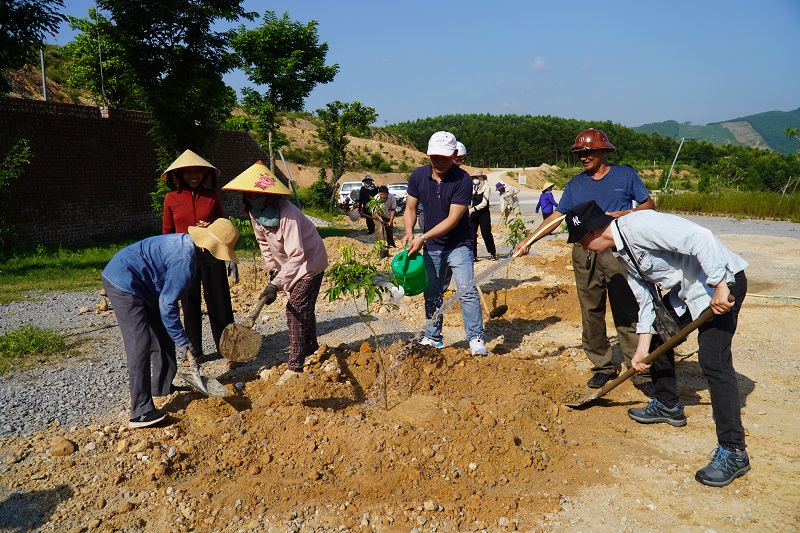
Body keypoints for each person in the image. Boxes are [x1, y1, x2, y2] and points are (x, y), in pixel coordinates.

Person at [565, 200, 750, 488]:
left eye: (579, 241)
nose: (581, 247)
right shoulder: (622, 252)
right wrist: (641, 350)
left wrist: (721, 284)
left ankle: (734, 451)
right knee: (656, 335)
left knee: (713, 362)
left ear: (591, 233)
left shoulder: (639, 226)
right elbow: (647, 303)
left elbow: (700, 237)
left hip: (721, 286)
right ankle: (667, 404)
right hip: (688, 292)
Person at [515, 128, 656, 397]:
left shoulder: (625, 175)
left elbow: (649, 205)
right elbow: (556, 217)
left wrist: (627, 213)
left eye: (587, 152)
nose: (582, 157)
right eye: (579, 153)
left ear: (603, 151)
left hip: (617, 251)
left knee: (627, 308)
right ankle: (602, 365)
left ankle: (638, 367)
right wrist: (529, 240)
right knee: (591, 310)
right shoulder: (575, 185)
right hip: (585, 253)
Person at [102, 219, 240, 428]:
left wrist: (177, 338)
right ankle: (140, 411)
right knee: (140, 342)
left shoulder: (191, 248)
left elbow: (167, 299)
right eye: (215, 255)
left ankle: (162, 386)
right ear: (205, 248)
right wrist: (184, 342)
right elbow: (168, 305)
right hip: (124, 282)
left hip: (145, 286)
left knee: (163, 335)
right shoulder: (185, 259)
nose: (216, 261)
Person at [222, 162, 329, 385]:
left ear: (269, 194)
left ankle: (295, 365)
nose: (252, 197)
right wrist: (273, 271)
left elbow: (297, 255)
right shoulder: (255, 212)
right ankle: (312, 349)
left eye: (256, 193)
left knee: (294, 309)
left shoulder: (287, 214)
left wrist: (278, 282)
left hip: (310, 263)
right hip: (288, 267)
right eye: (248, 193)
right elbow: (264, 243)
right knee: (304, 308)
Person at [402, 131, 487, 355]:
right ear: (428, 155)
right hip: (432, 246)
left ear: (454, 155)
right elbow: (410, 208)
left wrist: (422, 237)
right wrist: (410, 232)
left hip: (458, 244)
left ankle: (476, 338)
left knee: (466, 291)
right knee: (432, 291)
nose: (439, 161)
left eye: (445, 157)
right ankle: (433, 336)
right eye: (434, 157)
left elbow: (452, 220)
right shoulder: (418, 176)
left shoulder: (462, 180)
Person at [162, 150, 235, 362]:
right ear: (180, 174)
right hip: (182, 258)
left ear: (205, 174)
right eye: (188, 172)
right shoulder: (171, 199)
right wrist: (167, 261)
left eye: (198, 172)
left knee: (219, 302)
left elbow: (223, 225)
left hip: (212, 254)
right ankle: (195, 351)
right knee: (189, 303)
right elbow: (167, 232)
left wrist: (211, 226)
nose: (193, 175)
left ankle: (228, 350)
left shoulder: (212, 197)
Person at [468, 171, 497, 261]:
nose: (475, 180)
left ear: (481, 178)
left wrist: (473, 209)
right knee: (472, 233)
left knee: (486, 233)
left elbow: (484, 203)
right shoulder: (472, 188)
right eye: (474, 178)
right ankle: (473, 255)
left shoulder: (486, 188)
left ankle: (492, 253)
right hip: (474, 214)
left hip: (483, 213)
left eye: (477, 177)